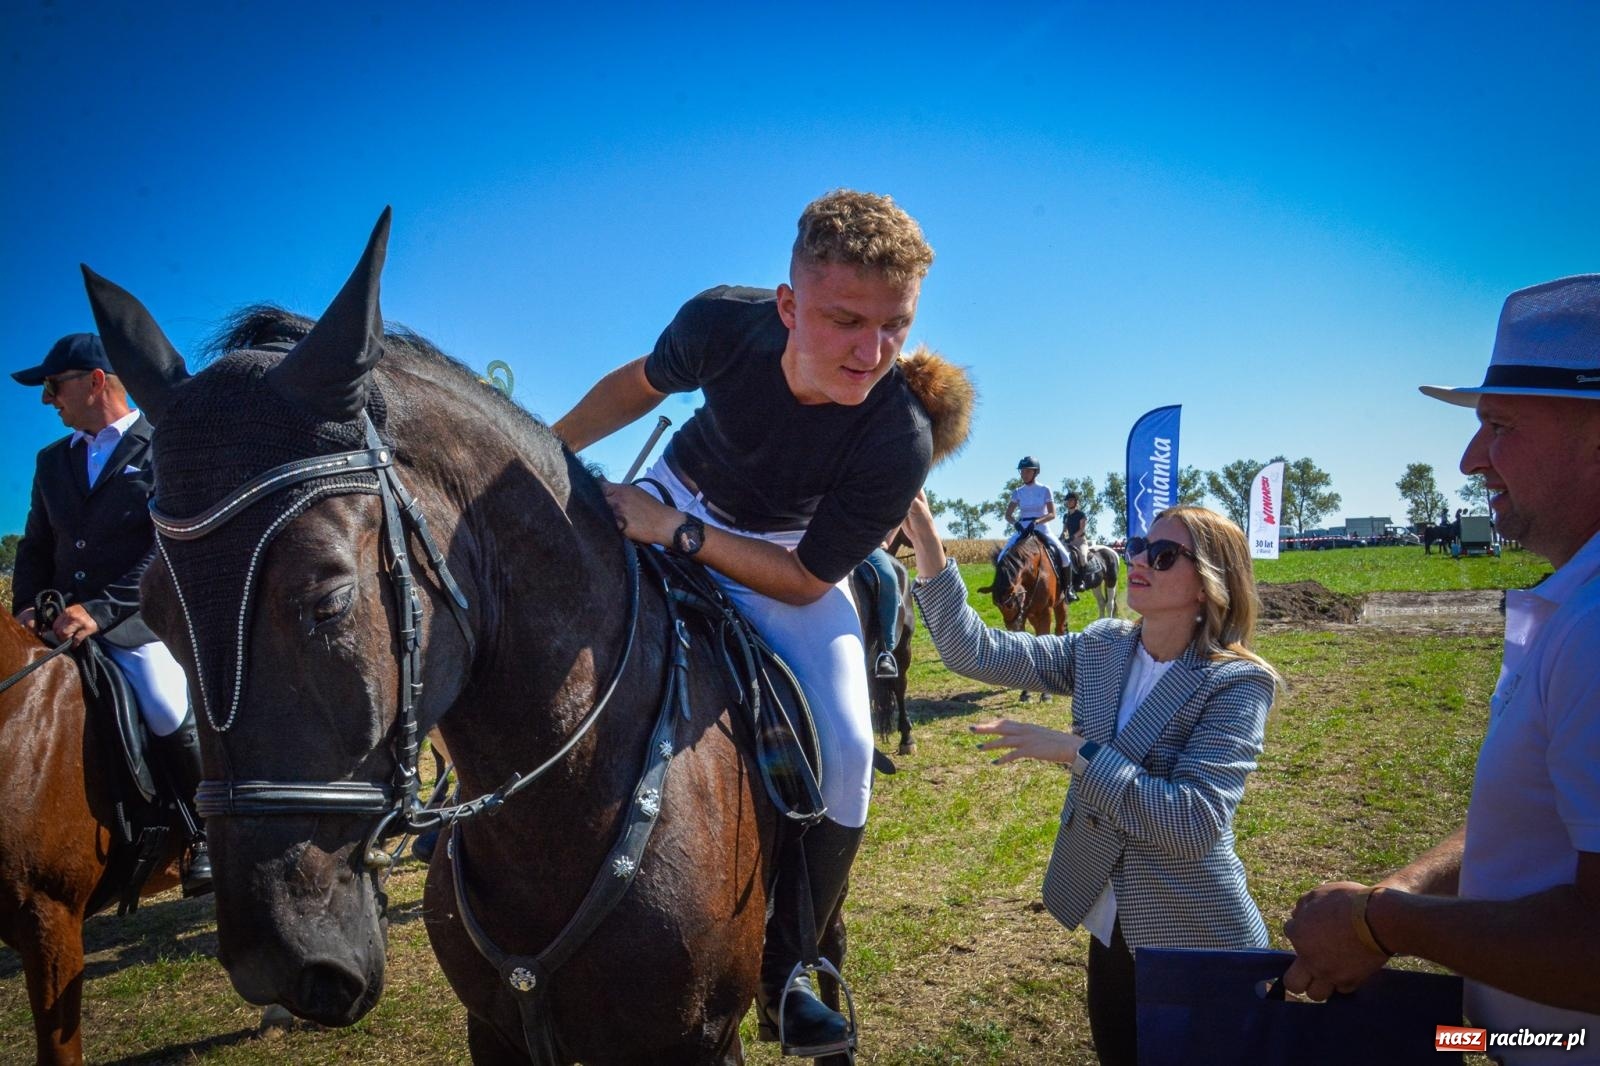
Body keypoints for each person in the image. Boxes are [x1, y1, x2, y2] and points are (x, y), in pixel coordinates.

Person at [552, 189, 971, 1056]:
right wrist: (546, 453)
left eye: (895, 325)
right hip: (676, 488)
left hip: (782, 557)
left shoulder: (902, 438)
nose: (874, 350)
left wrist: (674, 532)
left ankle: (791, 972)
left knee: (851, 747)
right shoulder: (722, 322)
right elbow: (637, 386)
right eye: (845, 319)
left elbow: (809, 574)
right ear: (786, 305)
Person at [1285, 274, 1600, 1063]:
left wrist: (1382, 923)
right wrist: (1396, 899)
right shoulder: (1574, 609)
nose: (1469, 459)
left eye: (1498, 425)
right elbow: (1533, 828)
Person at [904, 492, 1278, 1066]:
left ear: (1208, 582)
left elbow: (1193, 821)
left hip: (1195, 940)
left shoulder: (1235, 684)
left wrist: (1074, 753)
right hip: (1111, 928)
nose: (1139, 561)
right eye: (1138, 547)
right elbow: (975, 650)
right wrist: (928, 541)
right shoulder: (1103, 646)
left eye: (1162, 554)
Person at [10, 333, 211, 896]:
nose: (49, 400)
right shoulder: (52, 460)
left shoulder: (161, 447)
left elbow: (164, 547)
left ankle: (205, 832)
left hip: (134, 622)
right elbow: (34, 544)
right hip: (56, 621)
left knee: (164, 700)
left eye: (53, 386)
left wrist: (99, 610)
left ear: (96, 381)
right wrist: (26, 604)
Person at [1000, 456, 1075, 598]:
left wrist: (1036, 522)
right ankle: (1002, 589)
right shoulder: (1017, 492)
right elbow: (1008, 515)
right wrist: (1016, 524)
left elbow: (1052, 514)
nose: (1024, 474)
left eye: (1027, 471)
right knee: (1001, 557)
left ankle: (1068, 589)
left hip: (1042, 527)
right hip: (1023, 528)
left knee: (1065, 557)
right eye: (1022, 471)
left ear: (1035, 472)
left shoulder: (1045, 489)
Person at [1062, 490, 1089, 568]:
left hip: (1080, 542)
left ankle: (1084, 578)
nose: (1069, 502)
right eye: (1068, 500)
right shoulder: (1065, 516)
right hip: (1069, 542)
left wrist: (1073, 536)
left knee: (1083, 558)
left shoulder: (1081, 515)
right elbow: (1064, 530)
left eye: (1071, 500)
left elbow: (1082, 530)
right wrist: (1063, 536)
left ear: (1076, 502)